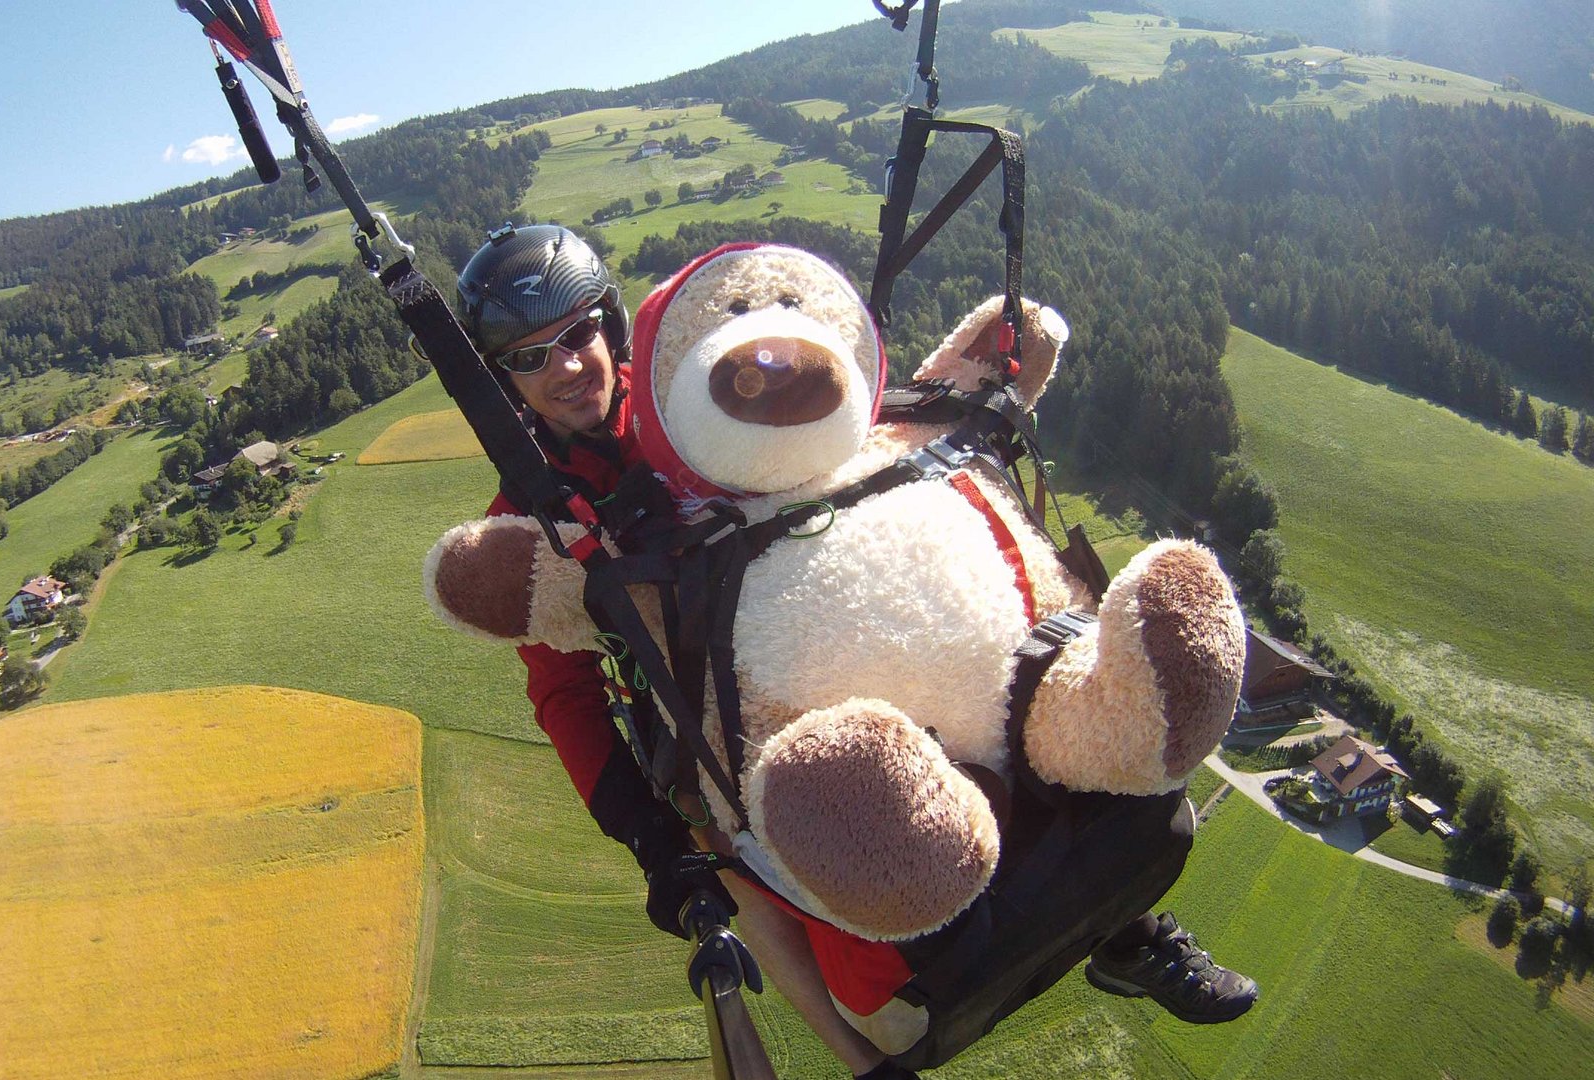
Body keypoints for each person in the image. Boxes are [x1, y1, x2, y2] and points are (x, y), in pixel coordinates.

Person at [449, 223, 1257, 1080]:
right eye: (530, 358)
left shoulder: (685, 390)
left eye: (577, 334)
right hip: (717, 703)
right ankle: (864, 1056)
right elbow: (565, 693)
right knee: (725, 824)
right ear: (502, 383)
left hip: (831, 615)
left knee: (997, 678)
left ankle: (1127, 930)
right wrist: (648, 839)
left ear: (611, 324)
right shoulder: (534, 510)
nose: (568, 367)